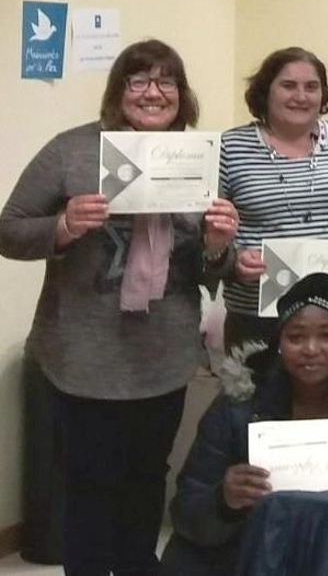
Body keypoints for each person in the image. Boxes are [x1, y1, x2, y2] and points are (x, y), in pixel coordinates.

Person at [0, 40, 238, 576]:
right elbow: (9, 229)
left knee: (147, 477)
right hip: (82, 355)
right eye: (138, 80)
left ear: (182, 95)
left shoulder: (196, 158)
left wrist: (220, 244)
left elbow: (209, 268)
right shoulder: (71, 150)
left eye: (166, 82)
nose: (153, 92)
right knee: (87, 484)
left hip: (164, 353)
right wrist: (61, 226)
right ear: (117, 90)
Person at [162, 272, 328, 575]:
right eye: (296, 337)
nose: (311, 349)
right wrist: (224, 500)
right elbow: (187, 509)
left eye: (327, 335)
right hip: (261, 547)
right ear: (278, 343)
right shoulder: (240, 396)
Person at [218, 47, 328, 347]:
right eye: (288, 86)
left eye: (312, 87)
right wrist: (235, 259)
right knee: (255, 392)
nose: (301, 96)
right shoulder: (230, 147)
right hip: (257, 312)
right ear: (265, 91)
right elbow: (211, 224)